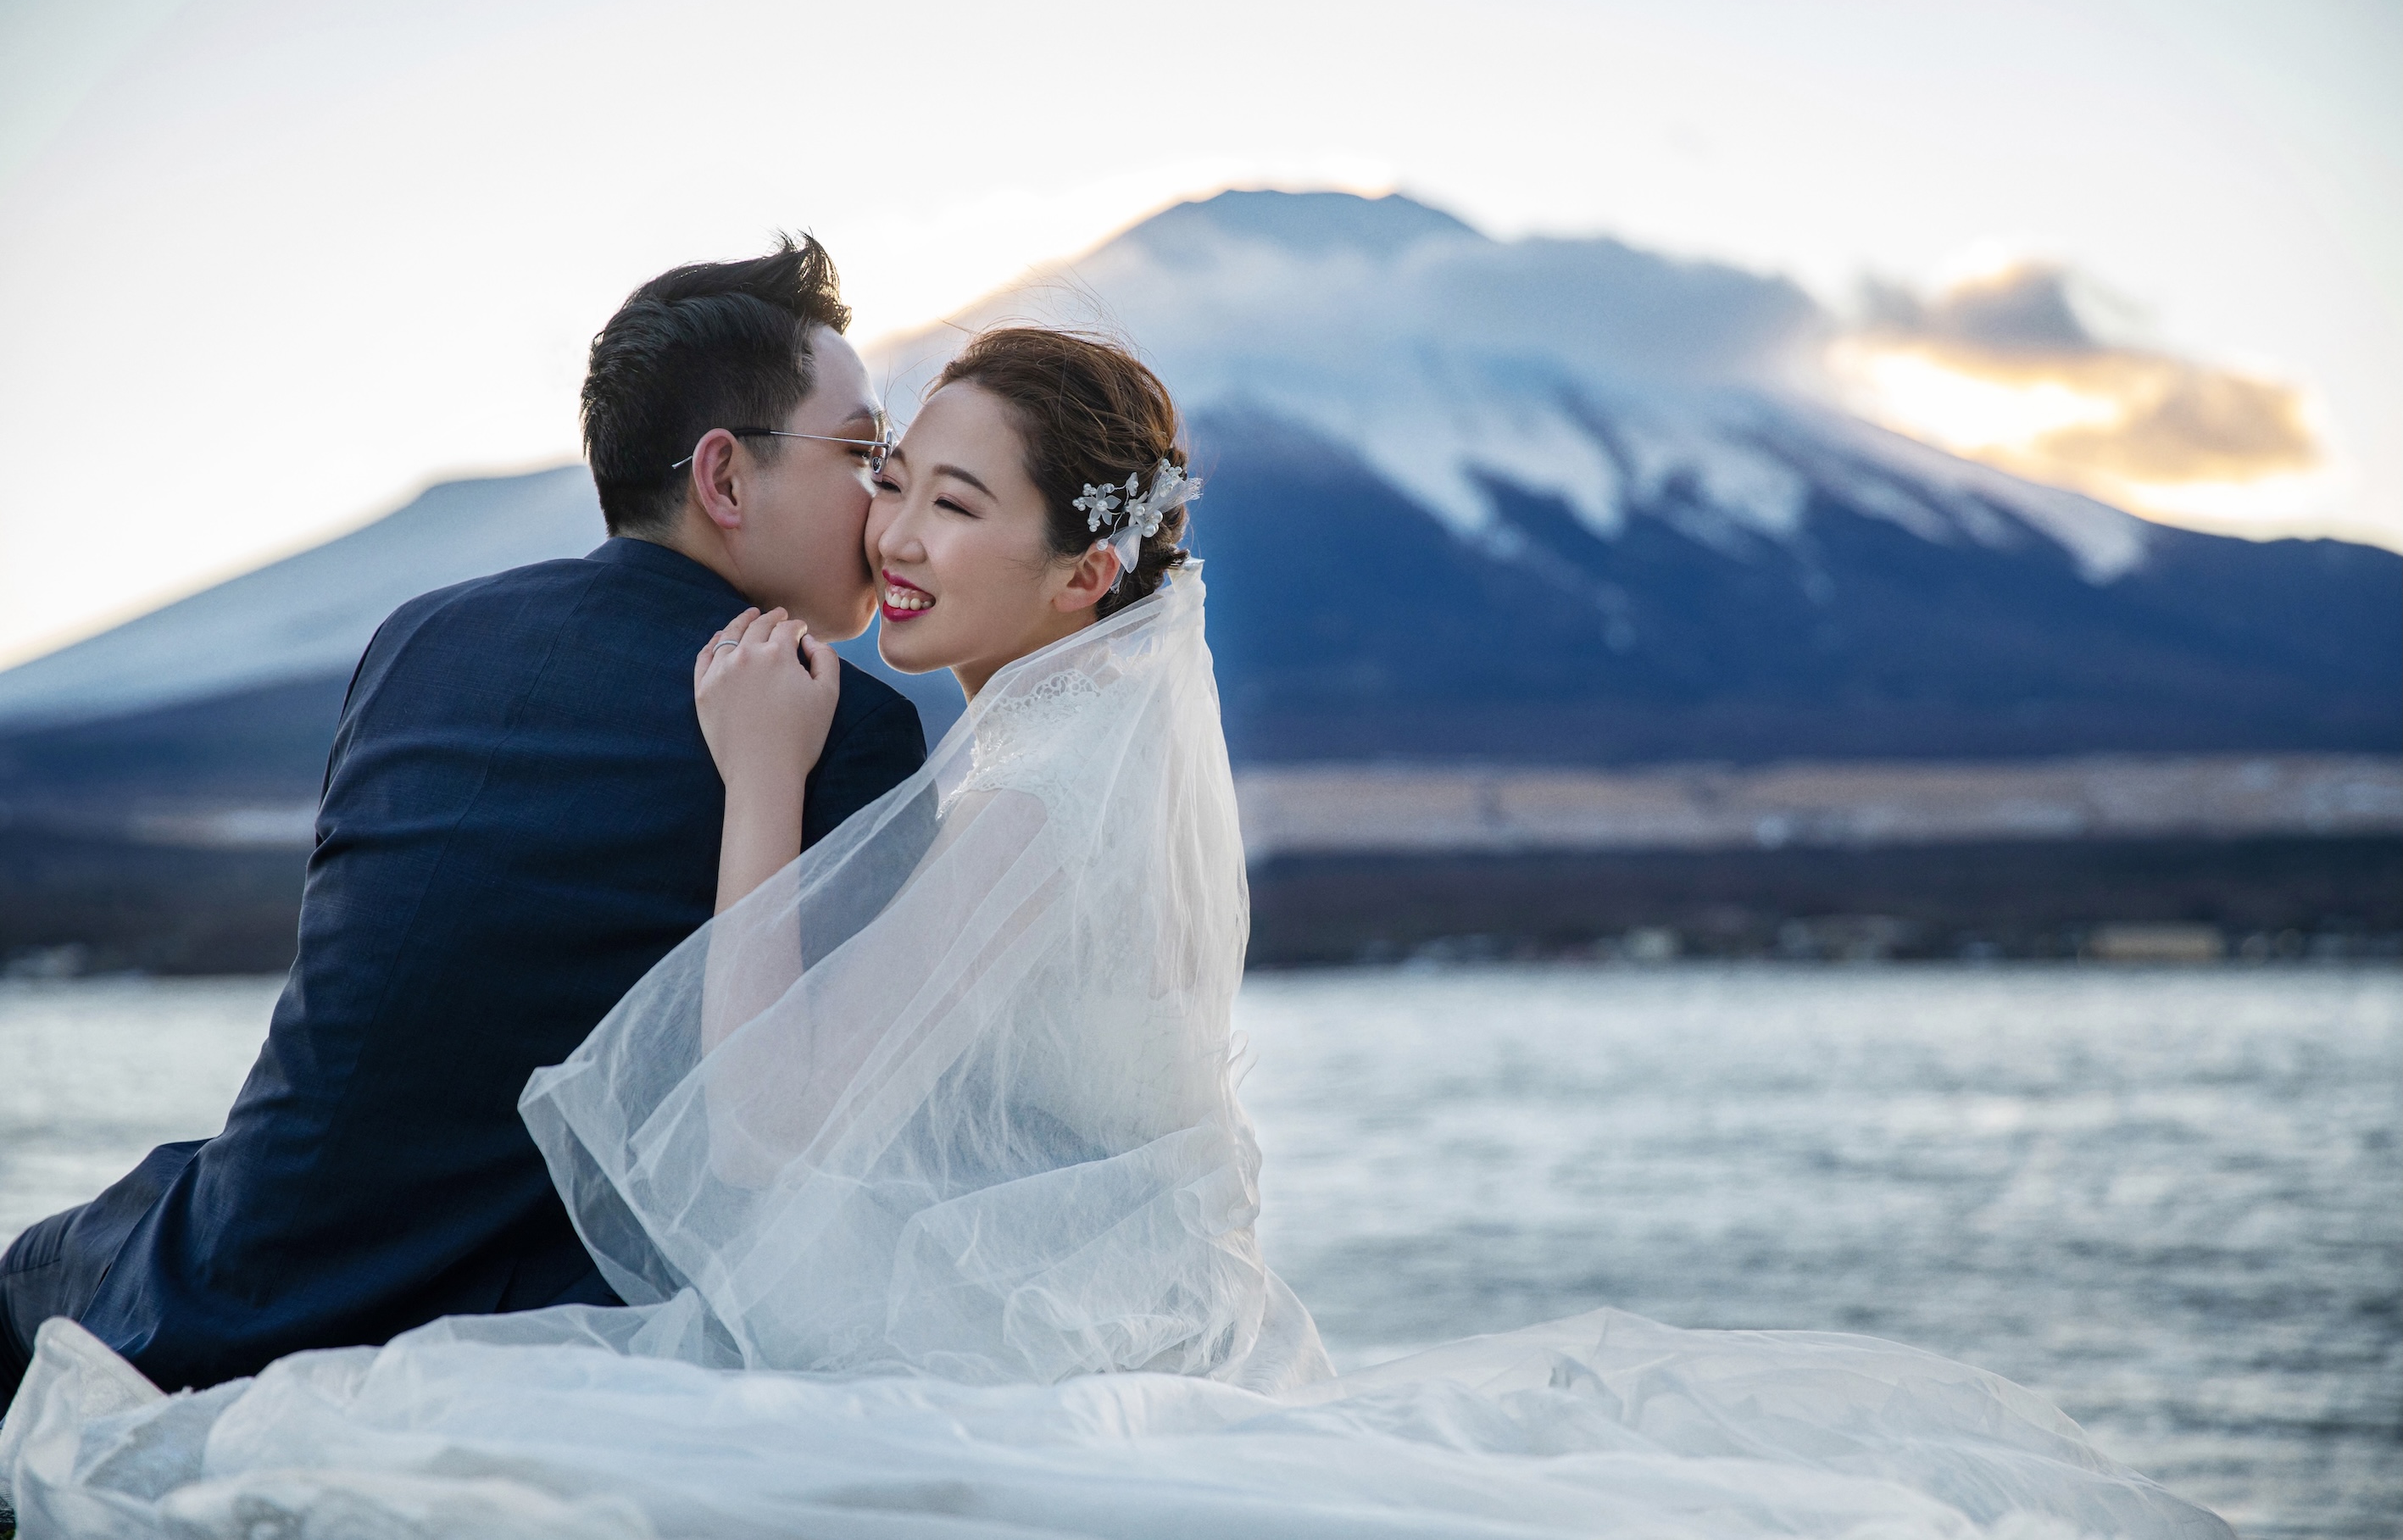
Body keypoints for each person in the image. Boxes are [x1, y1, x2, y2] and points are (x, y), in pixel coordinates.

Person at [1, 331, 2230, 1538]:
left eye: (948, 496)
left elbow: (764, 1124)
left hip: (1026, 1362)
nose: (888, 524)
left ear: (1085, 577)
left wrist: (762, 785)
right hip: (1105, 1309)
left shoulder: (1015, 791)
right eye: (891, 475)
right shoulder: (1032, 752)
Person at [0, 236, 926, 1405]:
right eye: (861, 449)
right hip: (508, 1334)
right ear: (726, 479)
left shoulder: (416, 639)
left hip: (210, 1275)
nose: (887, 488)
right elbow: (796, 1162)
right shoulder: (851, 732)